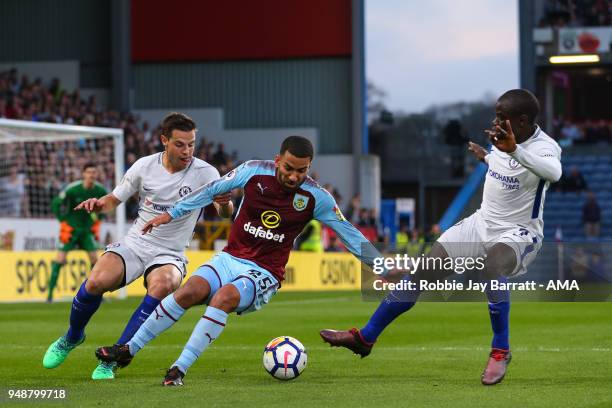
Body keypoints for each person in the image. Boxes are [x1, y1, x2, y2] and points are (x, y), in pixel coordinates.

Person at [95, 136, 384, 386]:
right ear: (277, 160)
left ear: (309, 167)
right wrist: (171, 213)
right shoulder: (253, 171)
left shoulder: (316, 197)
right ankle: (128, 350)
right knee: (187, 291)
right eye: (288, 168)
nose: (294, 176)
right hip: (230, 257)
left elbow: (349, 234)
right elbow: (211, 191)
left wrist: (380, 267)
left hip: (265, 272)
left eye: (301, 170)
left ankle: (178, 369)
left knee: (223, 298)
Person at [320, 89, 562, 386]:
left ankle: (501, 350)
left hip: (519, 232)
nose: (495, 121)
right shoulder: (502, 140)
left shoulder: (544, 146)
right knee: (423, 273)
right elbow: (508, 171)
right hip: (480, 222)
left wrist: (514, 151)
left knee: (491, 267)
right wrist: (488, 156)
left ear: (523, 121)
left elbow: (553, 172)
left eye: (502, 117)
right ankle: (365, 339)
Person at [42, 112, 233, 380]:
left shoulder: (206, 173)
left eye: (191, 144)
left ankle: (114, 358)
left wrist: (225, 203)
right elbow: (113, 200)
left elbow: (225, 213)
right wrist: (99, 204)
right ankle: (72, 338)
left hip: (171, 253)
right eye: (180, 144)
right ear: (164, 140)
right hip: (136, 242)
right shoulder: (144, 166)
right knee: (96, 280)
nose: (187, 150)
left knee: (164, 284)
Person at [47, 163, 107, 302]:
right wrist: (62, 220)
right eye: (89, 172)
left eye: (94, 172)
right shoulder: (73, 189)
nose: (91, 175)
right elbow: (56, 202)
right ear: (84, 174)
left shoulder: (100, 190)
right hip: (71, 230)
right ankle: (49, 295)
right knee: (60, 259)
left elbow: (106, 206)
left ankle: (97, 294)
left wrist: (97, 221)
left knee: (95, 260)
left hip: (86, 231)